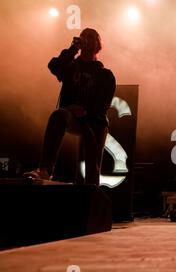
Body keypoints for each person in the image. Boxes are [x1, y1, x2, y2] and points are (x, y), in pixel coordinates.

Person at [24, 28, 116, 186]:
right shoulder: (71, 66)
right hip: (72, 117)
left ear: (98, 45)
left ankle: (91, 191)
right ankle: (45, 169)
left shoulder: (105, 74)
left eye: (91, 36)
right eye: (83, 35)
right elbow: (53, 66)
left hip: (94, 120)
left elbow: (103, 106)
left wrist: (84, 111)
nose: (86, 39)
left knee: (91, 172)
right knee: (58, 115)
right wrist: (73, 48)